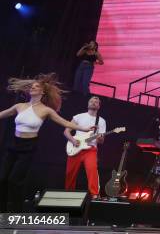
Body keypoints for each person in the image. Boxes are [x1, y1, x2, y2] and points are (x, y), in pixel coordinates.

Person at [0, 74, 95, 212]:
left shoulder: (46, 110)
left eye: (36, 86)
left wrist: (83, 128)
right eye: (32, 86)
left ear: (42, 92)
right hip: (13, 144)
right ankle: (1, 212)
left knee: (15, 180)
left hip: (28, 147)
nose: (33, 87)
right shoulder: (19, 106)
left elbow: (65, 122)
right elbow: (2, 114)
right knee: (2, 179)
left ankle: (15, 212)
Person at [64, 96, 107, 198]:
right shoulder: (78, 116)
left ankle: (95, 195)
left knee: (92, 170)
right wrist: (73, 140)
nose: (93, 103)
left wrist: (98, 138)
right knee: (70, 173)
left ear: (99, 106)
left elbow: (101, 141)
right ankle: (67, 195)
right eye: (91, 101)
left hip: (91, 149)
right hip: (76, 148)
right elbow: (66, 132)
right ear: (88, 104)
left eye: (96, 102)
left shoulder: (101, 121)